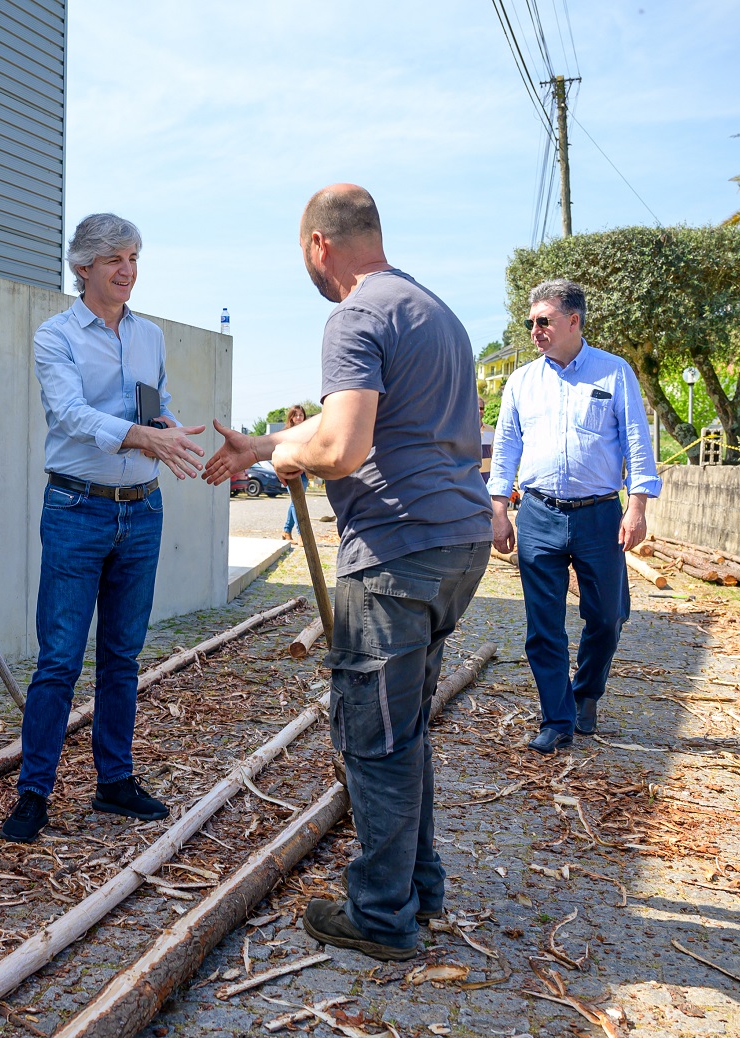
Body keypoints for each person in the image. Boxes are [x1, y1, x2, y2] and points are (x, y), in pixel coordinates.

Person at [203, 185, 491, 962]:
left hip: (396, 553)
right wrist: (261, 446)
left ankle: (380, 916)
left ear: (316, 246)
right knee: (406, 731)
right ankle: (418, 890)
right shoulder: (431, 310)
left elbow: (340, 449)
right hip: (454, 546)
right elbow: (354, 425)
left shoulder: (353, 315)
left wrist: (290, 455)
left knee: (373, 740)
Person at [0, 213, 207, 844]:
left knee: (123, 656)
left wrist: (168, 431)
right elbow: (68, 413)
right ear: (82, 266)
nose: (128, 270)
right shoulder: (53, 336)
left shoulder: (152, 337)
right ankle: (34, 793)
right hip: (77, 508)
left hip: (142, 508)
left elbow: (153, 403)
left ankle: (114, 782)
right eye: (115, 259)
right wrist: (144, 435)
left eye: (135, 258)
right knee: (60, 659)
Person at [488, 278, 660, 754]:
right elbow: (505, 449)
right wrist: (499, 509)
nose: (534, 330)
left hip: (599, 516)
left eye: (543, 321)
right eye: (530, 322)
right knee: (543, 626)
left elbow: (637, 443)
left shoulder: (613, 373)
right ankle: (557, 718)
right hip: (539, 514)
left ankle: (586, 693)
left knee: (606, 617)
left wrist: (638, 506)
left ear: (573, 321)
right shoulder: (522, 381)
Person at [281, 404, 310, 542]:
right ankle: (302, 535)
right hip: (291, 472)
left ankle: (286, 531)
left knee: (295, 501)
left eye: (301, 415)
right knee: (297, 501)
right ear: (291, 417)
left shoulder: (308, 431)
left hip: (304, 471)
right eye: (296, 415)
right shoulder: (287, 433)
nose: (299, 417)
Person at [478, 398, 495, 483]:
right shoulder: (464, 430)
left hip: (487, 479)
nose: (479, 411)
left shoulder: (491, 430)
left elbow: (494, 454)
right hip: (470, 479)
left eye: (481, 408)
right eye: (476, 408)